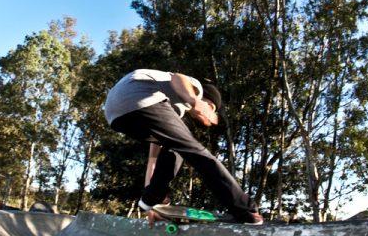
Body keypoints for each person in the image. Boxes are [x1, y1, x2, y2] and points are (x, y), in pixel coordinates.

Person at [104, 69, 263, 225]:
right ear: (206, 98)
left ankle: (152, 197)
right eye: (210, 107)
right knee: (198, 153)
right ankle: (244, 208)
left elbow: (153, 158)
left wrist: (150, 203)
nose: (204, 116)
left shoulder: (168, 111)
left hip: (116, 115)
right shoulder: (195, 89)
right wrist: (195, 100)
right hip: (138, 95)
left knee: (175, 148)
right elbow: (178, 78)